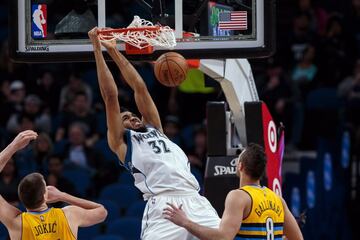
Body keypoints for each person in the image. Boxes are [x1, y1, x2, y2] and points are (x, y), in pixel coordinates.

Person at [88, 27, 220, 240]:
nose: (132, 117)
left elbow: (139, 87)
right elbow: (110, 96)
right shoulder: (121, 142)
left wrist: (114, 50)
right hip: (163, 204)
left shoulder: (155, 128)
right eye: (125, 119)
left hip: (195, 200)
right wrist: (97, 48)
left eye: (132, 114)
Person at [164, 143, 304, 240]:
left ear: (240, 166)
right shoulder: (278, 200)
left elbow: (223, 237)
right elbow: (297, 238)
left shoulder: (239, 196)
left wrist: (185, 222)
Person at [0, 130, 107, 240]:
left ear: (22, 199)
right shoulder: (69, 215)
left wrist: (13, 146)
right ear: (45, 195)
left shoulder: (17, 222)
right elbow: (102, 212)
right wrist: (62, 196)